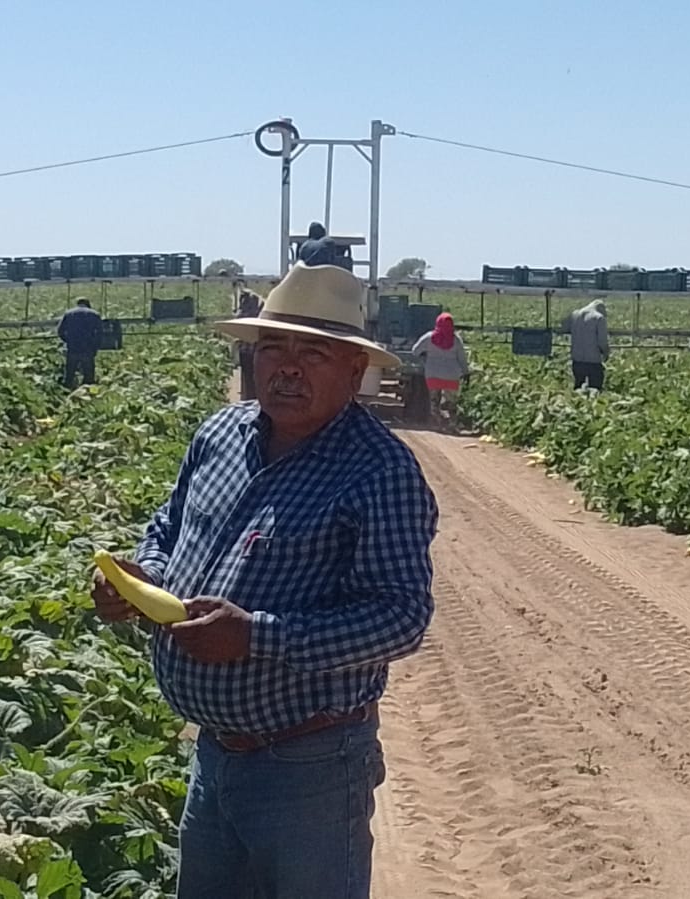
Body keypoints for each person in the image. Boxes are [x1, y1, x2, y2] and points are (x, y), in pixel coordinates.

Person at [92, 262, 437, 899]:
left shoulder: (378, 471)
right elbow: (170, 527)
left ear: (355, 371)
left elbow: (401, 616)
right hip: (214, 756)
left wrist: (256, 635)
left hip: (311, 768)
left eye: (314, 353)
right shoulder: (220, 434)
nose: (287, 367)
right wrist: (145, 582)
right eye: (272, 347)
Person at [411, 311, 471, 427]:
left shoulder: (429, 337)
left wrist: (425, 357)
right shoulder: (456, 340)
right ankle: (452, 424)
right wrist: (466, 373)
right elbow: (462, 358)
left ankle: (438, 423)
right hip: (452, 376)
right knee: (451, 402)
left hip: (433, 374)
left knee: (434, 401)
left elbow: (415, 351)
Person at [562, 298, 610, 390]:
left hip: (577, 359)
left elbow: (564, 327)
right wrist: (606, 352)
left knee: (578, 387)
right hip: (593, 360)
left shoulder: (575, 314)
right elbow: (602, 340)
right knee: (595, 389)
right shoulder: (599, 318)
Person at [56, 297, 103, 387]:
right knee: (89, 376)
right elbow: (100, 333)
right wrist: (95, 346)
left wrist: (68, 340)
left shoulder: (68, 313)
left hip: (73, 348)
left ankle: (67, 393)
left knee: (69, 374)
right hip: (88, 349)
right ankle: (90, 394)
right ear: (88, 304)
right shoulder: (94, 314)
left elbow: (60, 331)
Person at [234, 289, 263, 400]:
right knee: (254, 378)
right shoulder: (260, 309)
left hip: (247, 350)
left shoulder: (244, 312)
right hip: (254, 350)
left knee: (248, 379)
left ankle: (249, 399)